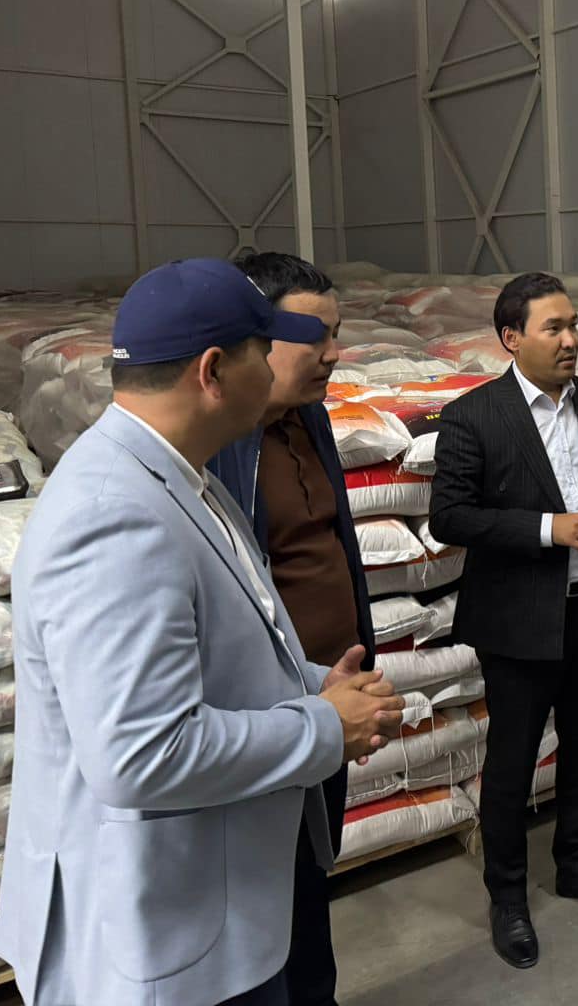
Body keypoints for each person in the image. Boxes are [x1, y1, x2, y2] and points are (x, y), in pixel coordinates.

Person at [0, 258, 404, 1006]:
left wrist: (320, 686)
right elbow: (141, 754)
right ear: (214, 372)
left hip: (212, 904)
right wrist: (322, 727)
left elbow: (218, 650)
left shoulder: (183, 477)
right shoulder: (113, 515)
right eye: (262, 352)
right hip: (162, 939)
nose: (277, 370)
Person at [428, 272, 578, 971]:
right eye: (553, 328)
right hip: (519, 621)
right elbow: (449, 517)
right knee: (513, 764)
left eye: (573, 325)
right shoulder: (474, 416)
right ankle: (508, 897)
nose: (571, 339)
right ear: (511, 338)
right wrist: (547, 528)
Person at [210, 253, 379, 1006]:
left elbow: (336, 541)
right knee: (261, 893)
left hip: (332, 696)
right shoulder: (218, 447)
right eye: (316, 336)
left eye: (337, 334)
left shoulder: (311, 418)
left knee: (314, 877)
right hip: (266, 713)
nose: (334, 354)